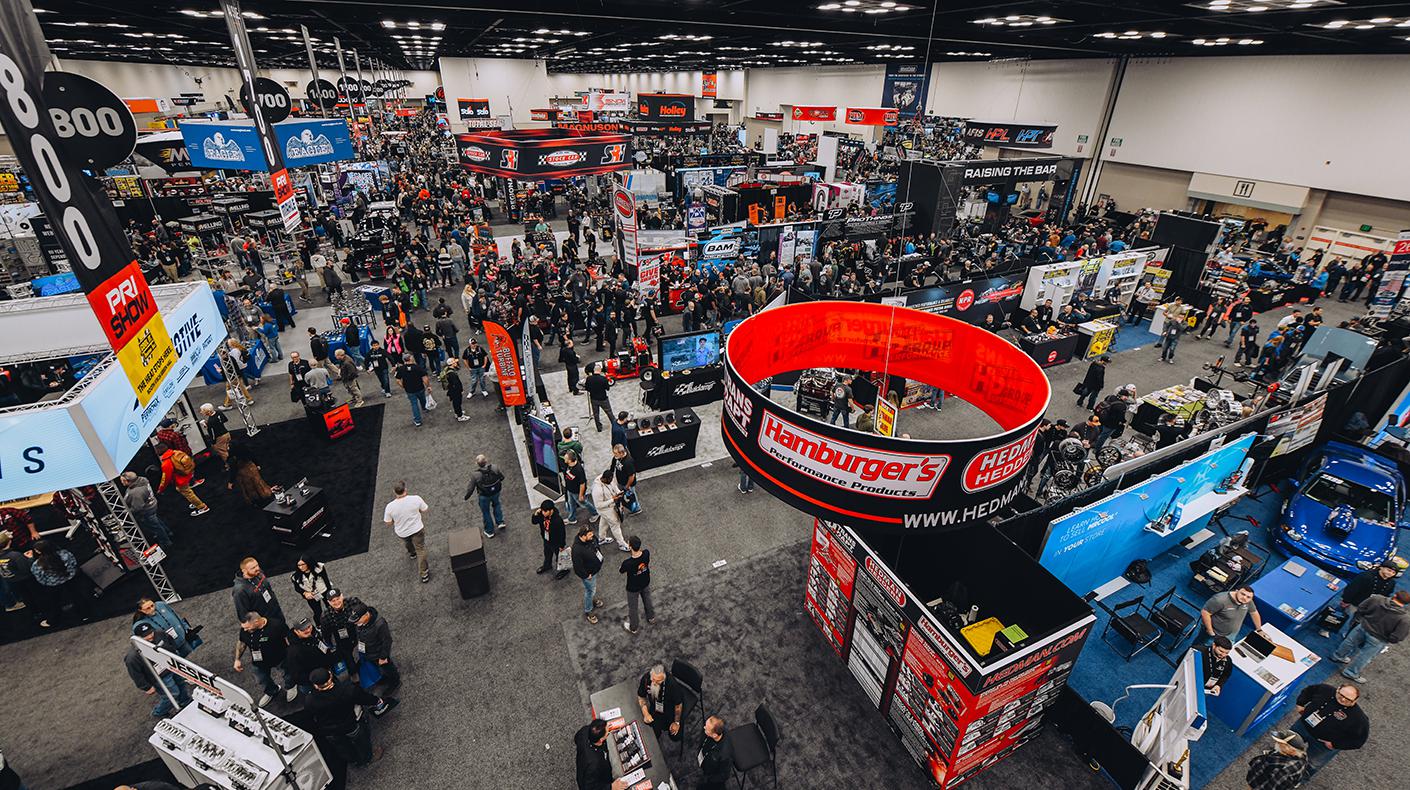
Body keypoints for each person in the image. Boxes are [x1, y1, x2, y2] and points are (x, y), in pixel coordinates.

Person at [304, 668, 394, 767]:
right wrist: (377, 701)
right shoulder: (347, 690)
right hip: (349, 724)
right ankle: (367, 758)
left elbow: (311, 715)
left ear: (316, 685)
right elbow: (364, 698)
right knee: (362, 742)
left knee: (342, 746)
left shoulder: (310, 700)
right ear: (330, 677)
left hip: (329, 730)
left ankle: (352, 759)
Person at [1330, 590, 1409, 683]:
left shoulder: (1377, 598)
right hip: (1378, 638)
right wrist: (1386, 639)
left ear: (1395, 595)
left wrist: (1364, 620)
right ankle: (1350, 673)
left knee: (1349, 642)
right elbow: (1397, 637)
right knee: (1364, 656)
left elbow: (1361, 607)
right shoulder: (1405, 619)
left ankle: (1337, 656)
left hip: (1363, 626)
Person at [1291, 682, 1369, 777]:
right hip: (1302, 727)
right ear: (1338, 689)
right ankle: (1275, 763)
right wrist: (1300, 703)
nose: (1343, 699)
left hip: (1322, 744)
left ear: (1355, 700)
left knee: (1311, 764)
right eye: (1341, 695)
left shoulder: (1359, 719)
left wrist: (1335, 744)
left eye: (1348, 699)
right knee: (1286, 745)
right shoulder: (1324, 689)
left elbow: (1359, 741)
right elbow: (1309, 691)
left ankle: (1298, 779)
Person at [125, 622, 192, 717]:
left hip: (171, 666)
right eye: (145, 636)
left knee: (181, 682)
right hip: (158, 676)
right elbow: (135, 674)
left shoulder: (160, 634)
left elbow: (171, 642)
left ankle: (185, 701)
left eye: (150, 633)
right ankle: (159, 712)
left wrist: (174, 654)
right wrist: (146, 687)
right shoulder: (133, 656)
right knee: (172, 694)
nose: (149, 636)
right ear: (138, 637)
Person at [234, 612, 299, 707]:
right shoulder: (245, 630)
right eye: (244, 627)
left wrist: (292, 655)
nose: (244, 630)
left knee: (286, 673)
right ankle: (272, 691)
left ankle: (291, 686)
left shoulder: (276, 625)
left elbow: (288, 639)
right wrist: (237, 659)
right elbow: (242, 643)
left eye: (247, 627)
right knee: (261, 679)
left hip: (279, 657)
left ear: (256, 622)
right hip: (258, 661)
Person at [1325, 560, 1399, 638]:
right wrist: (1346, 601)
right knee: (1338, 614)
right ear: (1381, 567)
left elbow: (1386, 595)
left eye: (1393, 573)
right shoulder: (1366, 576)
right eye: (1389, 570)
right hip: (1354, 602)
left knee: (1357, 622)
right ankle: (1326, 628)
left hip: (1369, 607)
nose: (1390, 573)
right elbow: (1352, 589)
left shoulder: (1391, 583)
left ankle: (1348, 635)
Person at [383, 481, 431, 583]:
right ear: (405, 489)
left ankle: (412, 553)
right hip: (417, 529)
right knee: (421, 550)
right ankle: (424, 574)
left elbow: (388, 523)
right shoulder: (416, 499)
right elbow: (425, 510)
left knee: (407, 542)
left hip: (402, 532)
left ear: (394, 492)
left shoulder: (390, 507)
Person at [29, 540, 84, 628]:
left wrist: (47, 583)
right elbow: (73, 563)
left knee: (54, 603)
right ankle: (85, 614)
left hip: (53, 585)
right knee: (77, 596)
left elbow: (39, 577)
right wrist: (71, 574)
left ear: (38, 552)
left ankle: (54, 621)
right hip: (70, 579)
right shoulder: (65, 554)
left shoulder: (37, 564)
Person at [348, 602, 399, 692]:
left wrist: (383, 657)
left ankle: (395, 682)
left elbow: (387, 641)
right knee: (379, 667)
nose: (355, 623)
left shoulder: (380, 624)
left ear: (366, 615)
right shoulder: (361, 623)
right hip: (369, 652)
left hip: (379, 653)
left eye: (357, 620)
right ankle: (386, 677)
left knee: (388, 667)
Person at [285, 617, 337, 697]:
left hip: (326, 672)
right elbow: (297, 676)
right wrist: (318, 679)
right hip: (314, 683)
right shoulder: (294, 652)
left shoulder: (313, 632)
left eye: (309, 627)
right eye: (303, 630)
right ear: (296, 631)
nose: (308, 630)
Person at [120, 471, 174, 547]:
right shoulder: (143, 480)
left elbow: (137, 508)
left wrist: (127, 511)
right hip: (152, 505)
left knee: (155, 527)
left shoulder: (136, 493)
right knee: (157, 521)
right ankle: (168, 532)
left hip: (146, 511)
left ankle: (166, 542)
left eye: (122, 480)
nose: (121, 482)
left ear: (128, 481)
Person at [133, 597, 200, 657]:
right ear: (141, 610)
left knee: (191, 657)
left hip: (181, 638)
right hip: (167, 649)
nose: (152, 609)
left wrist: (186, 627)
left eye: (152, 605)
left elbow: (176, 615)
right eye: (148, 608)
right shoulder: (140, 624)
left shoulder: (161, 605)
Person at [1244, 729, 1310, 790]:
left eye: (1281, 743)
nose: (1277, 743)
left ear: (1291, 750)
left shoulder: (1276, 764)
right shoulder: (1303, 757)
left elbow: (1266, 785)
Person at [319, 588, 363, 679]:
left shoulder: (354, 602)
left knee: (365, 650)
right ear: (328, 602)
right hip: (341, 637)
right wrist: (330, 645)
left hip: (357, 629)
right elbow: (325, 633)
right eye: (333, 601)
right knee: (348, 658)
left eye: (338, 598)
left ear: (342, 596)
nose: (336, 602)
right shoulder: (325, 616)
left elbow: (365, 612)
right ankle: (353, 673)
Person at [156, 442, 209, 517]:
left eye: (156, 450)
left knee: (188, 493)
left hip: (180, 480)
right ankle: (195, 503)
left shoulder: (166, 463)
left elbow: (165, 478)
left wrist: (161, 489)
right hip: (187, 474)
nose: (156, 452)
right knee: (187, 491)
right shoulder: (176, 452)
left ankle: (202, 507)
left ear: (160, 450)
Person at [573, 719, 627, 790]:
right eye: (607, 732)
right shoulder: (595, 763)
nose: (608, 731)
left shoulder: (585, 731)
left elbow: (576, 738)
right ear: (601, 740)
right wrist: (611, 787)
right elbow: (589, 788)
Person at [636, 663, 683, 741]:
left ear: (664, 678)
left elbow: (678, 705)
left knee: (676, 737)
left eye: (658, 681)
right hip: (655, 709)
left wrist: (676, 722)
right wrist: (645, 713)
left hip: (670, 710)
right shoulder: (646, 679)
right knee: (653, 734)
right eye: (653, 679)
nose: (654, 683)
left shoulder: (672, 684)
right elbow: (641, 696)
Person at [233, 556, 285, 623]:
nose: (257, 568)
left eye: (257, 565)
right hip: (264, 621)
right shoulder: (240, 590)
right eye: (253, 568)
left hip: (276, 612)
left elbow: (268, 589)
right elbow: (243, 614)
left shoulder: (258, 573)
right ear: (244, 571)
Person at [620, 536, 655, 634]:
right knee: (647, 600)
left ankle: (634, 627)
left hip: (633, 587)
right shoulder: (646, 553)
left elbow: (621, 570)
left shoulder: (628, 563)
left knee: (633, 608)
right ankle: (651, 617)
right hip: (645, 582)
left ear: (630, 547)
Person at [571, 525, 605, 624]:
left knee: (592, 589)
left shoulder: (591, 539)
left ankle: (592, 600)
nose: (592, 536)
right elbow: (577, 566)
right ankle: (588, 610)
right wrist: (586, 575)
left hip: (594, 569)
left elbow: (596, 546)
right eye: (590, 535)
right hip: (589, 574)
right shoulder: (577, 550)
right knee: (590, 591)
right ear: (583, 536)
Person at [592, 469, 628, 550]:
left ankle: (601, 539)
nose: (611, 481)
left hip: (612, 506)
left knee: (604, 522)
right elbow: (598, 505)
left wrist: (619, 493)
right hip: (605, 510)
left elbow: (614, 487)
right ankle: (621, 544)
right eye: (610, 480)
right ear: (604, 479)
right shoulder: (597, 490)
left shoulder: (609, 479)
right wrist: (613, 500)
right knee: (615, 525)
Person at [534, 499, 570, 580]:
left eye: (545, 511)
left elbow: (562, 534)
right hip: (546, 539)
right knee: (547, 553)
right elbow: (534, 521)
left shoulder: (557, 520)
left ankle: (565, 569)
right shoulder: (542, 515)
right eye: (542, 510)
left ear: (551, 510)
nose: (543, 513)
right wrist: (536, 514)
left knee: (560, 556)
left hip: (556, 542)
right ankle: (547, 565)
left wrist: (561, 545)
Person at [698, 715, 735, 790]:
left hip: (711, 774)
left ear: (714, 735)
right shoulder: (713, 728)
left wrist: (708, 779)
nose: (704, 727)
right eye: (705, 725)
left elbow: (724, 775)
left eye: (706, 729)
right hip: (706, 760)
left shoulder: (724, 754)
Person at [562, 450, 598, 525]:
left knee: (584, 503)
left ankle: (595, 513)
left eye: (565, 458)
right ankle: (572, 518)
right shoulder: (568, 465)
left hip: (577, 492)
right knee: (571, 503)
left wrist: (581, 495)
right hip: (570, 489)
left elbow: (582, 483)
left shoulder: (578, 469)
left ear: (570, 460)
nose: (564, 459)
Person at [395, 353, 430, 427]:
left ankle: (417, 421)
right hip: (419, 387)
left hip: (409, 390)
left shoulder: (401, 369)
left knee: (414, 404)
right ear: (410, 358)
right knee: (422, 398)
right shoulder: (417, 367)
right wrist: (428, 386)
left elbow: (398, 380)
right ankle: (424, 408)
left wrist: (403, 386)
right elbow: (425, 378)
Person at [611, 444, 640, 516]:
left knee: (632, 496)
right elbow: (613, 466)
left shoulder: (628, 462)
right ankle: (621, 506)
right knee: (621, 495)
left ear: (621, 453)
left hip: (628, 484)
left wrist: (627, 486)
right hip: (621, 481)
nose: (614, 455)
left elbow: (632, 476)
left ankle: (637, 509)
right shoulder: (617, 458)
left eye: (616, 453)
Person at [439, 357, 471, 422]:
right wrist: (460, 390)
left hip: (451, 390)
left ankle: (457, 413)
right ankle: (460, 416)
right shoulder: (452, 373)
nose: (456, 363)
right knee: (457, 402)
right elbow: (456, 384)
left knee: (455, 402)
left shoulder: (448, 370)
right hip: (455, 391)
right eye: (454, 362)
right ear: (452, 364)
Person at [584, 363, 613, 432]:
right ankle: (615, 425)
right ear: (600, 370)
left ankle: (599, 428)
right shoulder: (603, 379)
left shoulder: (589, 378)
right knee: (609, 412)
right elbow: (607, 388)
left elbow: (587, 388)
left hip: (593, 399)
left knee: (596, 414)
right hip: (603, 399)